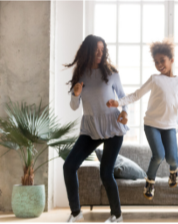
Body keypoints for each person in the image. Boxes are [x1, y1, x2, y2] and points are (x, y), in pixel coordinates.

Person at [107, 39, 178, 200]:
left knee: (171, 158)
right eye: (156, 62)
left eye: (162, 60)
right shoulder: (155, 79)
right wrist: (118, 102)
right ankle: (150, 182)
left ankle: (173, 171)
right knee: (158, 155)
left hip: (169, 126)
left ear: (171, 60)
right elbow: (137, 94)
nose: (159, 64)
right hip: (151, 125)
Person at [63, 35, 128, 223]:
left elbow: (123, 97)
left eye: (102, 50)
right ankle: (76, 212)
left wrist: (125, 113)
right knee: (69, 166)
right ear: (88, 50)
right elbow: (74, 106)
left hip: (113, 126)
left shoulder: (111, 72)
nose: (100, 54)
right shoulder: (80, 73)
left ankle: (117, 215)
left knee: (106, 173)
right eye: (96, 50)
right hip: (91, 128)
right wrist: (76, 94)